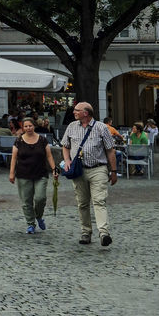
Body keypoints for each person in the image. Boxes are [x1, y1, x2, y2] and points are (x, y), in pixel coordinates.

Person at [60, 102, 118, 247]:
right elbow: (65, 146)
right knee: (82, 203)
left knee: (99, 200)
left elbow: (110, 150)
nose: (74, 112)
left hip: (98, 169)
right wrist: (67, 160)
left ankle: (104, 233)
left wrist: (114, 171)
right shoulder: (72, 127)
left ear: (86, 113)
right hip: (79, 170)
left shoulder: (101, 127)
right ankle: (86, 232)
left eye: (76, 110)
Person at [10, 117, 56, 234]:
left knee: (40, 198)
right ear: (23, 128)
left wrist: (54, 169)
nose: (28, 128)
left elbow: (49, 156)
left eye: (30, 126)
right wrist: (12, 173)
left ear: (34, 126)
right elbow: (14, 158)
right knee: (26, 201)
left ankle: (39, 216)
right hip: (23, 174)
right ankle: (30, 223)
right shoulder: (19, 141)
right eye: (26, 126)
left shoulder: (42, 140)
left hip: (40, 173)